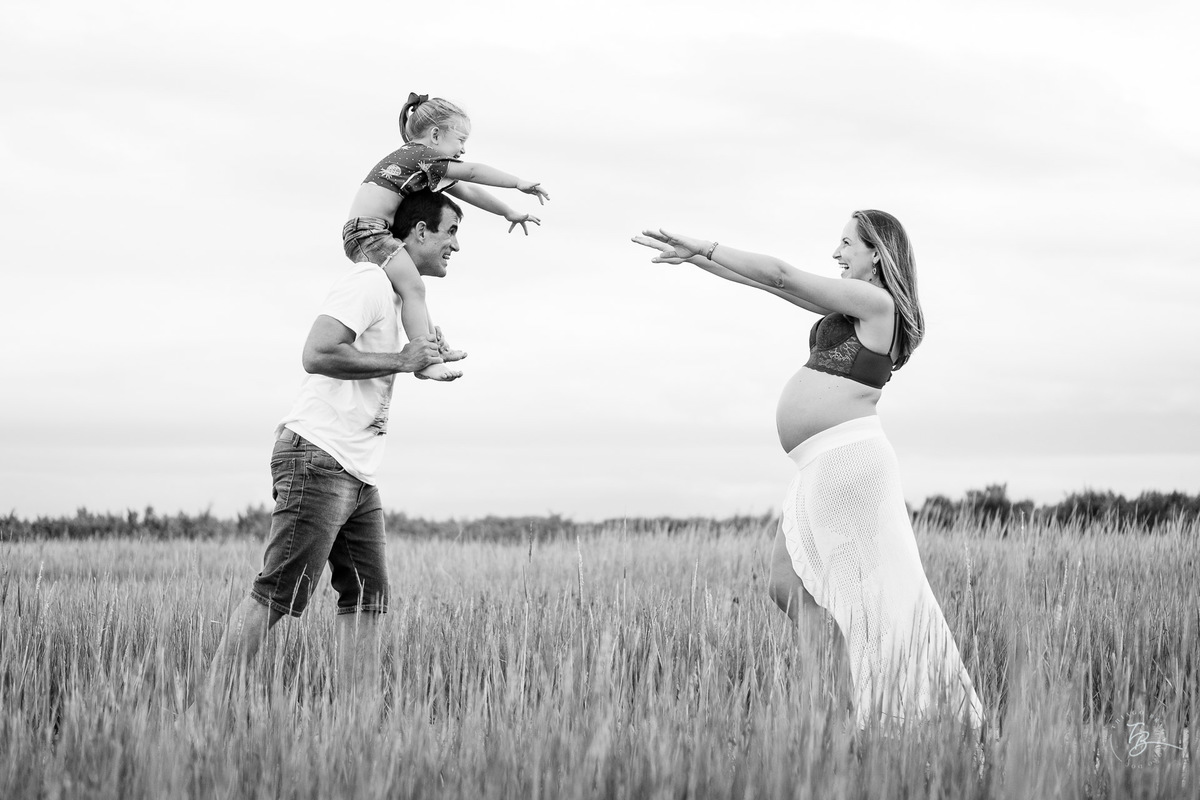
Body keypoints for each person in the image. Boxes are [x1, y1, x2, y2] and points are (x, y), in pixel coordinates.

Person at [633, 212, 984, 730]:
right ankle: (842, 699)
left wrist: (706, 244)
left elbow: (782, 275)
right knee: (784, 584)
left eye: (846, 243)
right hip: (818, 462)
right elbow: (769, 285)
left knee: (874, 600)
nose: (836, 253)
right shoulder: (852, 302)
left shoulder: (878, 303)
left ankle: (867, 713)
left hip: (848, 460)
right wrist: (700, 261)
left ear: (876, 254)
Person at [199, 190, 466, 706]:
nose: (456, 246)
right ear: (419, 232)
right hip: (319, 456)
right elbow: (317, 353)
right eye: (450, 232)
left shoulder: (399, 299)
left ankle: (356, 720)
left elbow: (402, 359)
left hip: (358, 470)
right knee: (279, 592)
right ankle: (206, 709)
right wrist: (402, 360)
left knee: (368, 595)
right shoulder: (369, 282)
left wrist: (422, 358)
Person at [343, 92, 549, 381]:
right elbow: (472, 173)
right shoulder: (420, 155)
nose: (463, 150)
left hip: (372, 231)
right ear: (436, 135)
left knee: (415, 290)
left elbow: (466, 190)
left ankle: (435, 351)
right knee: (414, 288)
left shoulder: (420, 162)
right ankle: (424, 360)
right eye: (460, 140)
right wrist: (517, 183)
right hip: (368, 232)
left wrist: (508, 212)